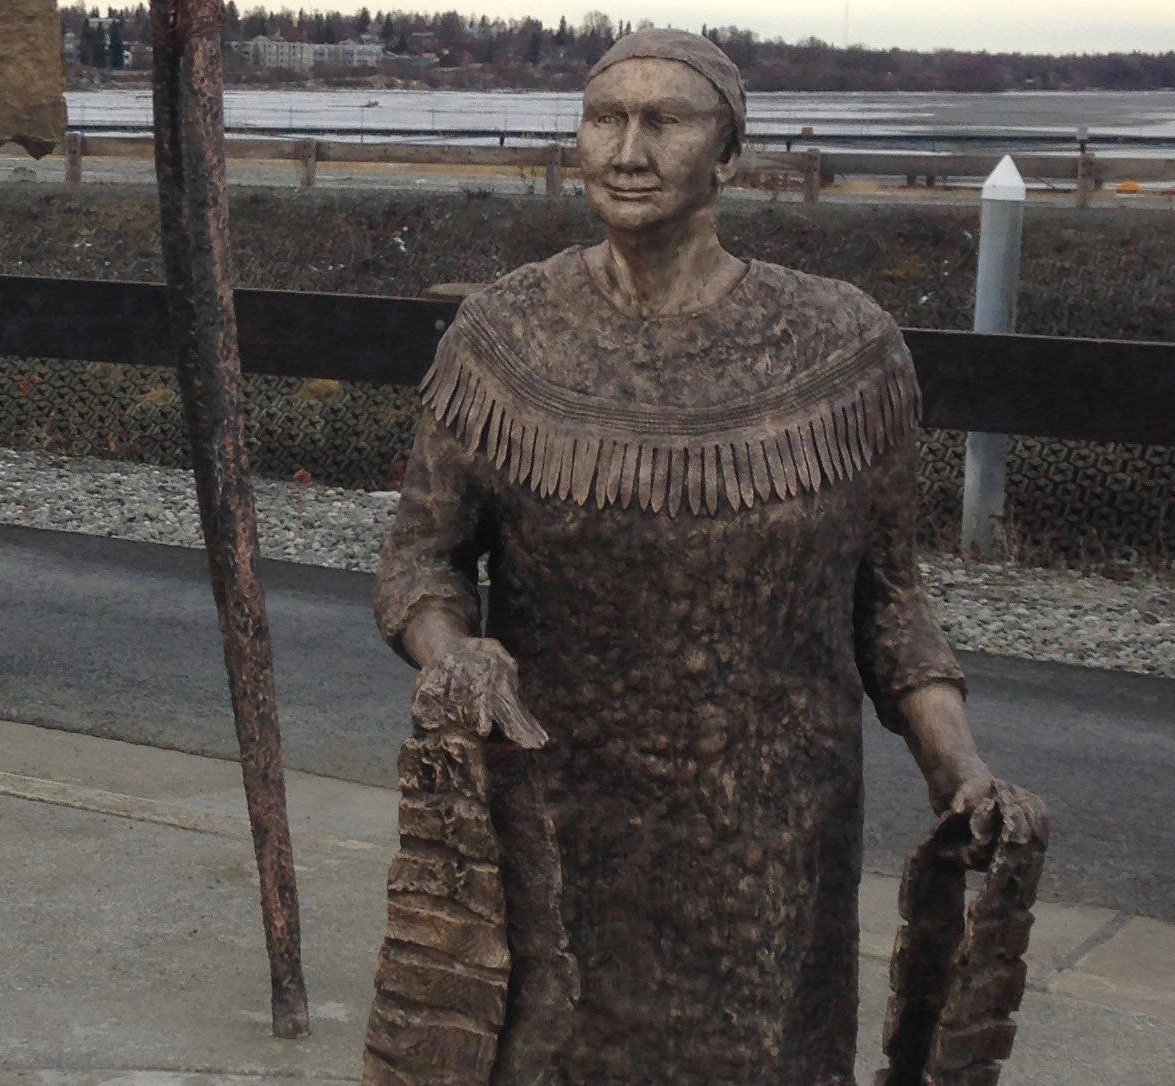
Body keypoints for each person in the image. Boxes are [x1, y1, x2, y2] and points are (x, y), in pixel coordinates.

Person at [371, 29, 1001, 1085]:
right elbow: (419, 563)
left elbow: (889, 601)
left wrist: (959, 766)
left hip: (771, 844)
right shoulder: (502, 340)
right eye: (605, 118)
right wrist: (453, 654)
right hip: (563, 820)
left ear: (730, 153)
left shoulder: (844, 350)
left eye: (666, 120)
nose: (629, 148)